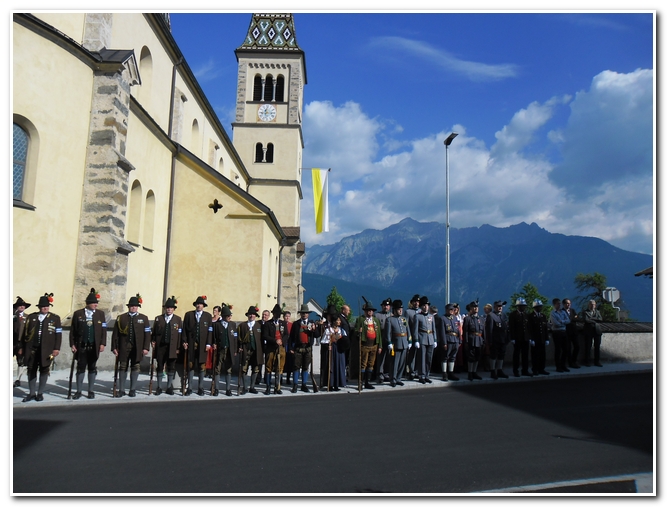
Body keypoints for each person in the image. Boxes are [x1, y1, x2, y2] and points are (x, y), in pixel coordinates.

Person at [18, 293, 62, 402]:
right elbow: (25, 334)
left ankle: (40, 393)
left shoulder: (55, 318)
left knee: (44, 370)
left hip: (46, 350)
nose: (45, 308)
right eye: (43, 306)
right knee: (31, 370)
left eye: (47, 306)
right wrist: (21, 347)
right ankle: (32, 393)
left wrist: (56, 348)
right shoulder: (32, 317)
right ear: (39, 308)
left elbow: (58, 334)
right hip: (32, 349)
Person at [70, 288, 107, 399]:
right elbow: (73, 330)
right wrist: (72, 344)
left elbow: (104, 330)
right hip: (81, 346)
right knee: (80, 368)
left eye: (96, 303)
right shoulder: (78, 314)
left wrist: (102, 343)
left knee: (92, 368)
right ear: (88, 304)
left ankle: (90, 390)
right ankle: (79, 391)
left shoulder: (100, 314)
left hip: (94, 346)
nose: (96, 305)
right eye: (94, 303)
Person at [111, 294, 151, 397]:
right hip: (124, 347)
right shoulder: (121, 318)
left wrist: (146, 347)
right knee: (123, 367)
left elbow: (147, 334)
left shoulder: (144, 318)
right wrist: (114, 347)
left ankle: (132, 389)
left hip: (137, 347)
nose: (134, 307)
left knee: (135, 367)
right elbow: (115, 334)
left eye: (135, 306)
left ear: (138, 307)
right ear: (128, 307)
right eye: (132, 306)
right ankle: (122, 389)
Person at [151, 296, 183, 395]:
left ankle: (169, 387)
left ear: (173, 309)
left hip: (172, 347)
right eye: (167, 308)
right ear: (165, 309)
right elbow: (154, 333)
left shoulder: (178, 319)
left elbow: (180, 334)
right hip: (161, 347)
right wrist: (152, 341)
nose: (169, 309)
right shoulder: (158, 319)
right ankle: (159, 387)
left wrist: (178, 347)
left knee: (171, 366)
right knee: (160, 366)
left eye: (171, 308)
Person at [183, 296, 213, 395]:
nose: (199, 305)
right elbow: (184, 330)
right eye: (197, 304)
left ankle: (201, 388)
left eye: (200, 304)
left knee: (202, 366)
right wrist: (184, 341)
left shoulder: (208, 316)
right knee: (190, 365)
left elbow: (210, 331)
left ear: (203, 306)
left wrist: (208, 343)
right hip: (191, 344)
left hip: (203, 345)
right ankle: (190, 388)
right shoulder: (189, 315)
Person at [288, 304, 319, 393]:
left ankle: (304, 385)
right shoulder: (296, 324)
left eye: (305, 313)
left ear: (308, 314)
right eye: (303, 313)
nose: (304, 314)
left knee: (306, 367)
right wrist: (290, 347)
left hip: (308, 348)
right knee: (296, 367)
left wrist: (314, 329)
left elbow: (317, 335)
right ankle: (295, 385)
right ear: (300, 314)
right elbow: (291, 337)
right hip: (298, 348)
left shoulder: (312, 323)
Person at [353, 299, 382, 390]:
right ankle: (360, 382)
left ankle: (367, 382)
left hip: (374, 344)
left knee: (371, 364)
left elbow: (379, 334)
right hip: (365, 345)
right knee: (363, 364)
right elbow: (355, 331)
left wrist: (380, 345)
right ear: (365, 311)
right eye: (368, 310)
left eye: (371, 310)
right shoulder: (360, 319)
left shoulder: (376, 320)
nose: (370, 312)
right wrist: (359, 332)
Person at [383, 299, 412, 387]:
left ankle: (399, 378)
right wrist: (389, 342)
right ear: (394, 310)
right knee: (394, 362)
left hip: (404, 342)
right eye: (399, 309)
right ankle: (393, 378)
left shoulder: (404, 319)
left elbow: (408, 331)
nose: (400, 310)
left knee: (402, 362)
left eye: (401, 309)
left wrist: (410, 341)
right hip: (396, 343)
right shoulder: (390, 320)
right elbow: (388, 333)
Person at [237, 305, 264, 394]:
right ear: (247, 315)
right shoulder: (242, 325)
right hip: (246, 350)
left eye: (253, 314)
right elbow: (238, 338)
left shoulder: (259, 326)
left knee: (255, 368)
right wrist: (239, 347)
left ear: (255, 316)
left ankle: (252, 387)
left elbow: (262, 339)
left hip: (256, 351)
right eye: (250, 314)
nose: (251, 316)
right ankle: (245, 387)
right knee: (244, 369)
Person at [262, 304, 288, 395]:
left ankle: (277, 386)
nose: (278, 315)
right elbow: (265, 336)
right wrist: (275, 340)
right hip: (271, 348)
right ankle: (268, 387)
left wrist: (282, 341)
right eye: (276, 314)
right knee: (268, 367)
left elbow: (286, 335)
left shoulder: (283, 323)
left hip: (281, 348)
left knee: (279, 368)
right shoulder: (268, 324)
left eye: (279, 314)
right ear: (273, 314)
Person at [212, 303, 237, 396]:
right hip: (220, 350)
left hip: (229, 350)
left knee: (228, 369)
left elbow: (235, 338)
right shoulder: (217, 325)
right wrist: (213, 344)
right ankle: (216, 388)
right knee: (217, 369)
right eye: (228, 316)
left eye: (230, 315)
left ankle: (228, 389)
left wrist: (235, 350)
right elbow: (213, 337)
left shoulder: (233, 325)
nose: (229, 317)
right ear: (223, 316)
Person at [412, 296, 437, 384]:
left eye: (426, 305)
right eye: (423, 305)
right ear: (421, 306)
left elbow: (434, 329)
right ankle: (421, 375)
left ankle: (427, 374)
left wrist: (435, 340)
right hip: (422, 338)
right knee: (422, 358)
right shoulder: (417, 316)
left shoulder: (431, 316)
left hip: (430, 338)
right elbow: (415, 329)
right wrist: (416, 340)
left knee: (429, 358)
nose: (425, 307)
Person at [323, 309, 349, 391]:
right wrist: (328, 346)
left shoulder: (342, 331)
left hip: (339, 350)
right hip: (332, 350)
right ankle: (330, 384)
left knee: (339, 366)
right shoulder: (328, 330)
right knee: (331, 366)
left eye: (339, 321)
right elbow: (323, 341)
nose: (339, 322)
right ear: (334, 321)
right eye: (337, 320)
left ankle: (337, 384)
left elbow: (346, 339)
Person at [485, 300, 510, 379]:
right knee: (493, 356)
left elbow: (506, 327)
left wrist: (507, 338)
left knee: (501, 355)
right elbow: (489, 330)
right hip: (495, 339)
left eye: (501, 306)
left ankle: (499, 370)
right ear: (495, 307)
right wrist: (490, 341)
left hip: (503, 339)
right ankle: (493, 371)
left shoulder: (503, 315)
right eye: (498, 306)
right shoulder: (491, 316)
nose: (500, 308)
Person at [509, 298, 532, 377]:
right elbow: (511, 327)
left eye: (524, 306)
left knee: (525, 355)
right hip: (517, 339)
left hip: (525, 338)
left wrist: (530, 337)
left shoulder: (526, 315)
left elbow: (528, 327)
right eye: (522, 306)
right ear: (518, 306)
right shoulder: (513, 315)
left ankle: (525, 370)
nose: (524, 307)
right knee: (516, 355)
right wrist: (512, 338)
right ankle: (516, 371)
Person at [463, 301, 484, 381]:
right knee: (471, 357)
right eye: (474, 307)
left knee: (477, 357)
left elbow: (483, 331)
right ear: (471, 308)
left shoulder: (481, 319)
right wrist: (466, 342)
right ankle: (470, 372)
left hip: (479, 339)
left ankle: (474, 372)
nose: (476, 308)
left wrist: (483, 340)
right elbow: (466, 331)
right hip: (471, 339)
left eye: (477, 307)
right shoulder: (467, 319)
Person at [439, 303, 460, 381]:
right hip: (448, 339)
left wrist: (459, 340)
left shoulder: (455, 318)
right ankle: (444, 373)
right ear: (446, 310)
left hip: (455, 339)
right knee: (445, 357)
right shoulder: (443, 318)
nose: (451, 311)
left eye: (452, 309)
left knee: (453, 357)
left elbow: (457, 329)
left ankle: (451, 372)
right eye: (450, 309)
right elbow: (442, 332)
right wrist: (444, 342)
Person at [13, 296, 30, 387]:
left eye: (23, 305)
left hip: (21, 342)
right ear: (16, 307)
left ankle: (17, 379)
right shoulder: (12, 315)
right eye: (20, 305)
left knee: (20, 361)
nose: (22, 307)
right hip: (11, 342)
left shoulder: (27, 317)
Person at [373, 298, 392, 382]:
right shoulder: (377, 315)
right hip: (381, 337)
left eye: (387, 306)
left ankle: (387, 373)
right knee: (381, 357)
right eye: (384, 306)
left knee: (389, 357)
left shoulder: (392, 315)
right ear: (382, 306)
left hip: (390, 339)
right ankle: (380, 373)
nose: (386, 307)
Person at [550, 298, 570, 373]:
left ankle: (563, 365)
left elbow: (568, 320)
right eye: (558, 303)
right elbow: (556, 324)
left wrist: (561, 321)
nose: (559, 305)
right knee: (558, 350)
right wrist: (563, 322)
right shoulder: (553, 313)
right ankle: (558, 366)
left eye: (560, 303)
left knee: (566, 349)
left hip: (564, 332)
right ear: (554, 304)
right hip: (557, 333)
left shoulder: (563, 312)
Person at [529, 300, 550, 375]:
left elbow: (545, 329)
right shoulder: (531, 316)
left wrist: (547, 338)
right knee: (535, 355)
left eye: (541, 306)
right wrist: (531, 339)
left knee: (542, 355)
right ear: (535, 307)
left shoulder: (543, 316)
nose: (540, 308)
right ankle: (535, 369)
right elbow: (530, 329)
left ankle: (542, 369)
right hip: (535, 339)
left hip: (542, 339)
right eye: (539, 307)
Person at [582, 300, 603, 367]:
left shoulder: (597, 312)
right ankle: (587, 361)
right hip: (588, 331)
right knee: (588, 346)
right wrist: (595, 319)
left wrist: (591, 319)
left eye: (594, 304)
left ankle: (597, 361)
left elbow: (600, 319)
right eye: (591, 304)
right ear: (589, 305)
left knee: (597, 347)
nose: (592, 305)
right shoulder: (585, 312)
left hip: (597, 331)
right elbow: (586, 320)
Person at [404, 294, 421, 380]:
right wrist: (409, 338)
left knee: (419, 355)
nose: (416, 303)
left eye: (418, 302)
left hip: (420, 337)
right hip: (412, 336)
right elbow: (406, 325)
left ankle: (417, 371)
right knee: (411, 355)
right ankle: (411, 371)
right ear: (412, 303)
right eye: (415, 302)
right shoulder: (408, 312)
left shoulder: (421, 311)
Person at [563, 298, 581, 368]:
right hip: (566, 332)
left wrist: (571, 319)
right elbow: (564, 320)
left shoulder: (572, 310)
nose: (568, 305)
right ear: (564, 304)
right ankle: (570, 362)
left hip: (574, 331)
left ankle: (574, 360)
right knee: (568, 348)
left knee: (577, 346)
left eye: (569, 303)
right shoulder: (562, 311)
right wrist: (572, 318)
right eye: (567, 303)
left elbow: (577, 318)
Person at [206, 306, 222, 378]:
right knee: (208, 357)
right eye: (214, 310)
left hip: (216, 341)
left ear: (219, 312)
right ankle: (208, 371)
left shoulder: (220, 321)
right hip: (210, 339)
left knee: (215, 357)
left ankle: (214, 371)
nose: (214, 312)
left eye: (216, 310)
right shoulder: (210, 319)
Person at [282, 310, 294, 385]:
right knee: (282, 362)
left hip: (289, 344)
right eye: (286, 316)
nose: (287, 318)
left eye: (289, 316)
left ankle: (288, 378)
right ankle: (280, 378)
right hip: (283, 343)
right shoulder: (281, 324)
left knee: (289, 362)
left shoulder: (291, 325)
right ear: (283, 317)